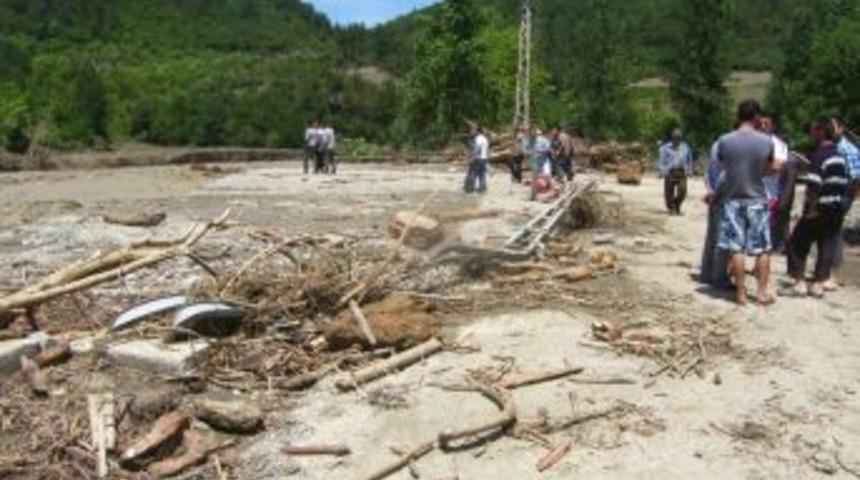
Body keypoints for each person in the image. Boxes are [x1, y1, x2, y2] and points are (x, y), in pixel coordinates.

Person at [716, 99, 783, 306]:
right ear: (756, 117)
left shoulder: (725, 140)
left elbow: (720, 164)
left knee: (736, 248)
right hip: (757, 199)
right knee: (762, 249)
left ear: (738, 116)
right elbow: (774, 167)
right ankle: (761, 294)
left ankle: (740, 295)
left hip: (733, 199)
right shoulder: (766, 141)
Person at [786, 118, 851, 298]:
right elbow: (844, 183)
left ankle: (799, 282)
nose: (811, 132)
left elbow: (814, 185)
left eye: (813, 129)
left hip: (819, 207)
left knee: (796, 242)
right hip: (835, 207)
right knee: (826, 244)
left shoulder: (820, 154)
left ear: (821, 131)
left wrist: (811, 208)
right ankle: (817, 284)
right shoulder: (839, 155)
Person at [828, 118, 860, 288]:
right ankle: (830, 273)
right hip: (834, 197)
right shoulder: (836, 147)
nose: (831, 131)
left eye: (833, 128)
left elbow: (856, 179)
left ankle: (835, 274)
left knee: (834, 233)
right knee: (831, 233)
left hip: (842, 197)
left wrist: (846, 200)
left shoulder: (848, 149)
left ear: (841, 128)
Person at [700, 139, 731, 288]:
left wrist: (710, 192)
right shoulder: (731, 145)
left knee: (712, 237)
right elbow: (723, 174)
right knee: (723, 239)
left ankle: (707, 274)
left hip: (715, 196)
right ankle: (719, 278)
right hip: (724, 197)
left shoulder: (718, 143)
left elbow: (708, 172)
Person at [756, 115, 791, 248]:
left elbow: (777, 167)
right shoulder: (753, 141)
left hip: (769, 194)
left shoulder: (779, 145)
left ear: (773, 126)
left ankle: (758, 266)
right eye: (761, 123)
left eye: (766, 123)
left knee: (764, 232)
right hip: (749, 191)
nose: (763, 126)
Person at [658, 129, 694, 215]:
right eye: (676, 137)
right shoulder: (665, 148)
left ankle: (676, 204)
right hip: (670, 171)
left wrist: (690, 170)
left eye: (679, 138)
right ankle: (672, 208)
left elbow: (689, 159)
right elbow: (662, 160)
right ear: (672, 138)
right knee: (669, 192)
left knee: (683, 191)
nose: (677, 139)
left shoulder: (685, 147)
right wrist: (662, 171)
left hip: (681, 171)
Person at [464, 125, 489, 194]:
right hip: (484, 158)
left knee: (473, 173)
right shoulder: (485, 139)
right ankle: (482, 189)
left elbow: (477, 149)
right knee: (482, 174)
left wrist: (471, 157)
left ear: (478, 131)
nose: (472, 132)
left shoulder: (478, 139)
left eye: (473, 130)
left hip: (478, 159)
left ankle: (470, 189)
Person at [530, 127, 553, 201]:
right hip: (535, 161)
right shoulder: (532, 141)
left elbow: (548, 149)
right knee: (534, 178)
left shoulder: (545, 140)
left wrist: (539, 151)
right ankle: (533, 196)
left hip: (544, 161)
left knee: (547, 176)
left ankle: (551, 192)